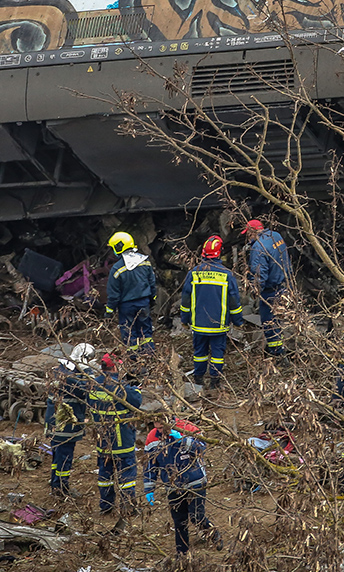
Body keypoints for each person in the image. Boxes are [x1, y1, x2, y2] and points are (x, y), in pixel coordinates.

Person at [143, 421, 223, 556]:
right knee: (179, 522)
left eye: (162, 427)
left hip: (195, 481)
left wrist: (183, 440)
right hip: (172, 486)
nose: (160, 431)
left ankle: (214, 534)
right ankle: (182, 554)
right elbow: (150, 465)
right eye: (157, 428)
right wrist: (149, 488)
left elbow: (202, 448)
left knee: (197, 517)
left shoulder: (188, 427)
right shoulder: (152, 437)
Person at [180, 235, 242, 390]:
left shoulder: (194, 273)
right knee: (217, 355)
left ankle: (198, 381)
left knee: (199, 353)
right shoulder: (226, 275)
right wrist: (238, 321)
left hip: (199, 325)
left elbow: (185, 300)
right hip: (218, 326)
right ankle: (215, 382)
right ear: (219, 253)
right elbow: (234, 302)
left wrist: (184, 320)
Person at [89, 351, 143, 515]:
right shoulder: (119, 387)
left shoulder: (93, 385)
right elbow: (136, 400)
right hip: (122, 438)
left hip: (102, 439)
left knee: (105, 473)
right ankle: (128, 507)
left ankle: (106, 506)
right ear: (114, 367)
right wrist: (135, 388)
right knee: (127, 475)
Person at [45, 343, 94, 500]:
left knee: (57, 455)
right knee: (65, 456)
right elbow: (87, 389)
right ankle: (61, 488)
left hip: (55, 421)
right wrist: (87, 371)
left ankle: (55, 483)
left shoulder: (60, 369)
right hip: (64, 424)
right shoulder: (70, 376)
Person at [106, 231, 157, 358]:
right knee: (146, 331)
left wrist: (109, 310)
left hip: (126, 307)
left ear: (118, 247)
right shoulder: (145, 261)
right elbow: (152, 282)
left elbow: (113, 293)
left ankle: (134, 360)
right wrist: (152, 298)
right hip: (144, 303)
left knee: (129, 333)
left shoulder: (117, 269)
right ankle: (150, 356)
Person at [244, 218, 291, 357]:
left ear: (252, 232)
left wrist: (254, 291)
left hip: (269, 291)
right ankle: (281, 348)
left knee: (269, 324)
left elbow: (259, 274)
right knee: (279, 320)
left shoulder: (258, 248)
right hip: (284, 285)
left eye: (248, 234)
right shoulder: (275, 236)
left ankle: (277, 354)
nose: (248, 237)